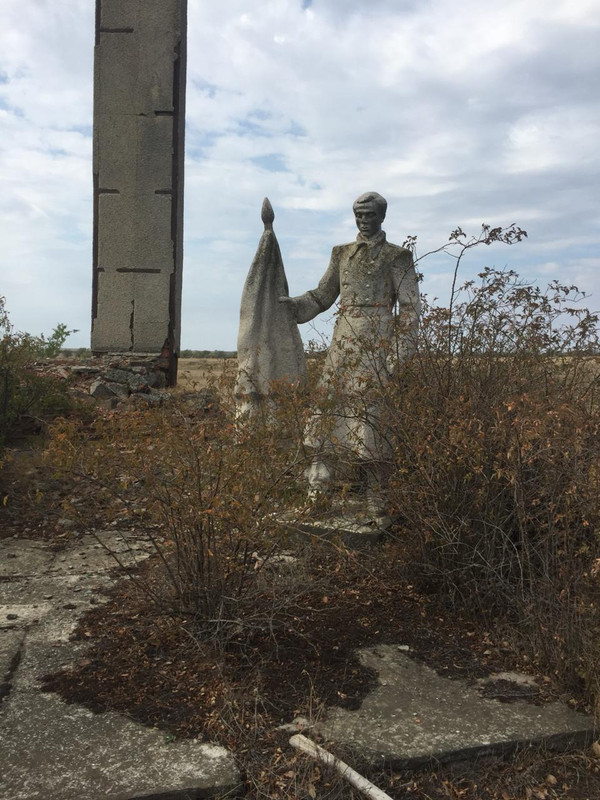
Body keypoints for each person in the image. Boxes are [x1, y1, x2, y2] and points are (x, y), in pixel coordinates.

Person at [280, 192, 420, 501]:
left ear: (382, 216)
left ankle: (376, 495)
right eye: (359, 214)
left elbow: (410, 309)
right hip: (343, 342)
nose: (364, 220)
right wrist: (292, 307)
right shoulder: (341, 253)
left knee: (373, 415)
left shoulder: (397, 257)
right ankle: (318, 488)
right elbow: (322, 295)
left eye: (370, 215)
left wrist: (398, 352)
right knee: (327, 410)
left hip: (377, 342)